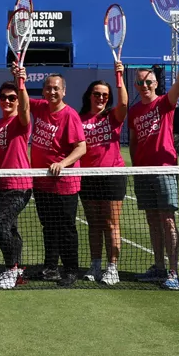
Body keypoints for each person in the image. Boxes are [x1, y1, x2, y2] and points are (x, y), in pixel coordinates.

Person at [127, 45, 179, 290]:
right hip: (142, 172)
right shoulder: (134, 111)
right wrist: (134, 168)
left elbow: (178, 85)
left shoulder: (165, 103)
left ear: (156, 84)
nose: (144, 86)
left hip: (165, 169)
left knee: (167, 220)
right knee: (152, 221)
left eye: (148, 82)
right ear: (136, 86)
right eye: (140, 83)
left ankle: (173, 272)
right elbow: (133, 142)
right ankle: (158, 267)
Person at [26, 73, 88, 288]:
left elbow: (81, 147)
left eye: (56, 89)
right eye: (48, 88)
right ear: (43, 91)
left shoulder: (70, 115)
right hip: (43, 182)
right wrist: (19, 78)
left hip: (64, 184)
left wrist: (63, 164)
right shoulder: (41, 107)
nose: (52, 92)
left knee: (66, 228)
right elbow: (22, 100)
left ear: (64, 91)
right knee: (48, 227)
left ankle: (71, 270)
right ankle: (51, 267)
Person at [79, 65, 128, 286]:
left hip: (112, 175)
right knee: (94, 224)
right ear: (89, 95)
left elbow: (124, 103)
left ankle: (112, 267)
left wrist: (119, 78)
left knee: (111, 223)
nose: (100, 98)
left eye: (105, 95)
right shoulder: (79, 119)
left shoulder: (113, 117)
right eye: (97, 94)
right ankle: (95, 264)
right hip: (88, 176)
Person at [0, 75, 33, 290]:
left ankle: (11, 268)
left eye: (12, 98)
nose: (7, 101)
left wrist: (22, 84)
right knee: (11, 229)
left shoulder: (20, 121)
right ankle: (16, 268)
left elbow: (26, 110)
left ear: (18, 100)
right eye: (3, 97)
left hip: (18, 185)